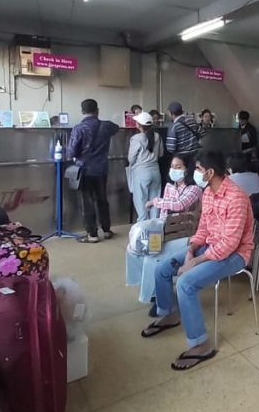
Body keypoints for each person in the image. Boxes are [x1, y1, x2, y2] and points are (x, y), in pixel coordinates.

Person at [141, 151, 255, 371]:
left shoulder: (237, 197)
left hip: (235, 255)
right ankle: (169, 314)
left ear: (210, 172)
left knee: (186, 283)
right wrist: (191, 249)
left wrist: (196, 262)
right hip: (208, 246)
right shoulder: (208, 192)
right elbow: (202, 228)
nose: (196, 173)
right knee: (163, 267)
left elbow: (230, 244)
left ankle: (200, 344)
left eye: (199, 169)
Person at [125, 155, 204, 313]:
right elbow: (163, 214)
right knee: (135, 249)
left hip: (183, 235)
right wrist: (156, 231)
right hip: (165, 232)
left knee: (152, 256)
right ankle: (152, 289)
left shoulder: (194, 189)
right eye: (173, 166)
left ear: (186, 170)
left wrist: (155, 201)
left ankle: (159, 299)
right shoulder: (169, 186)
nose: (174, 170)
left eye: (179, 167)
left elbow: (179, 205)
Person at [67, 99, 120, 243]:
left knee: (87, 203)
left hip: (84, 171)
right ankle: (107, 230)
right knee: (102, 200)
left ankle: (92, 235)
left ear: (82, 111)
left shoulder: (79, 129)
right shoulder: (107, 126)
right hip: (101, 170)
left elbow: (71, 152)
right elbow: (117, 127)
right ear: (97, 110)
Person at [126, 111, 163, 222]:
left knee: (141, 203)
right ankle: (155, 231)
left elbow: (131, 159)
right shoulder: (157, 136)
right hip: (156, 172)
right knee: (155, 201)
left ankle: (143, 232)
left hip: (141, 173)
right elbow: (161, 154)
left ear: (139, 125)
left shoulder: (136, 139)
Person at [164, 101, 204, 170]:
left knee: (182, 178)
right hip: (196, 155)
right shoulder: (191, 120)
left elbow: (171, 148)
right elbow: (202, 133)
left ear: (171, 113)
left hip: (182, 158)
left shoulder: (173, 126)